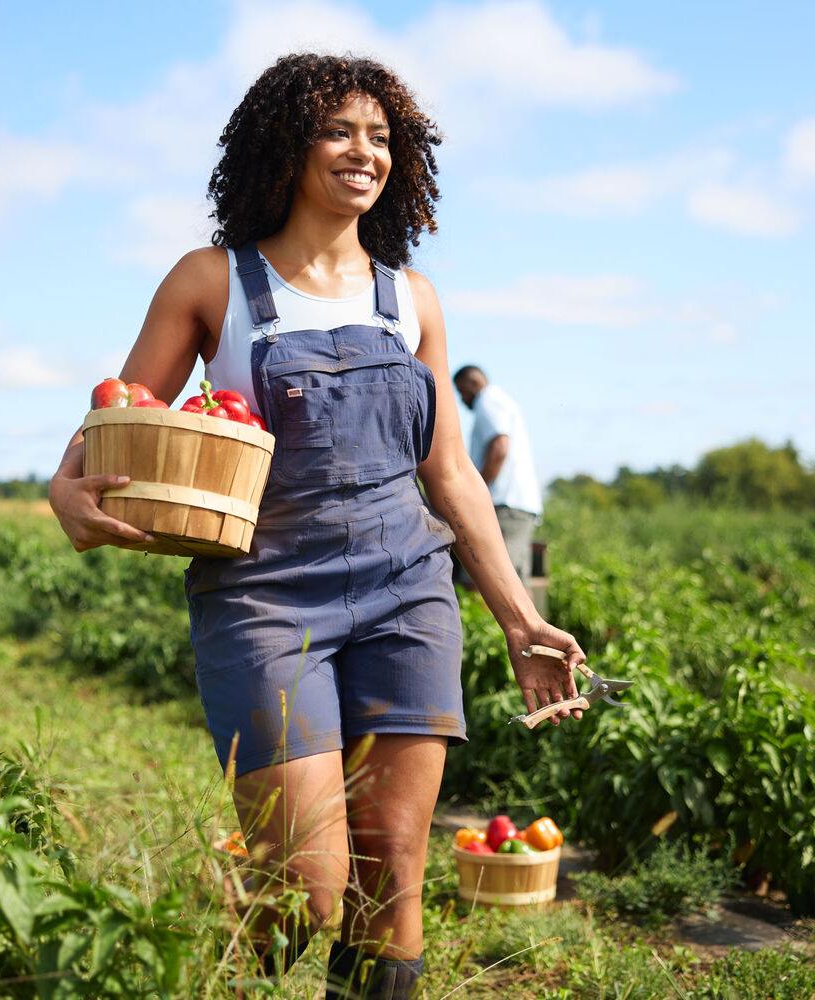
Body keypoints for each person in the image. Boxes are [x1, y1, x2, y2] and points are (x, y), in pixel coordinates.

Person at [48, 53, 585, 1000]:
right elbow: (121, 414)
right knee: (306, 882)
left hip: (406, 594)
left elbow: (449, 471)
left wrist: (516, 616)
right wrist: (65, 486)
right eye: (339, 131)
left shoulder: (409, 299)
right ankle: (199, 962)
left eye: (380, 137)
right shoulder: (214, 281)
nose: (362, 152)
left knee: (392, 883)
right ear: (286, 146)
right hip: (263, 594)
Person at [453, 366, 543, 587]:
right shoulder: (502, 401)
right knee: (517, 587)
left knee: (491, 583)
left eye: (462, 391)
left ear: (474, 383)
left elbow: (499, 448)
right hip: (519, 506)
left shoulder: (488, 402)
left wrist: (476, 492)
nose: (462, 400)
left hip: (505, 506)